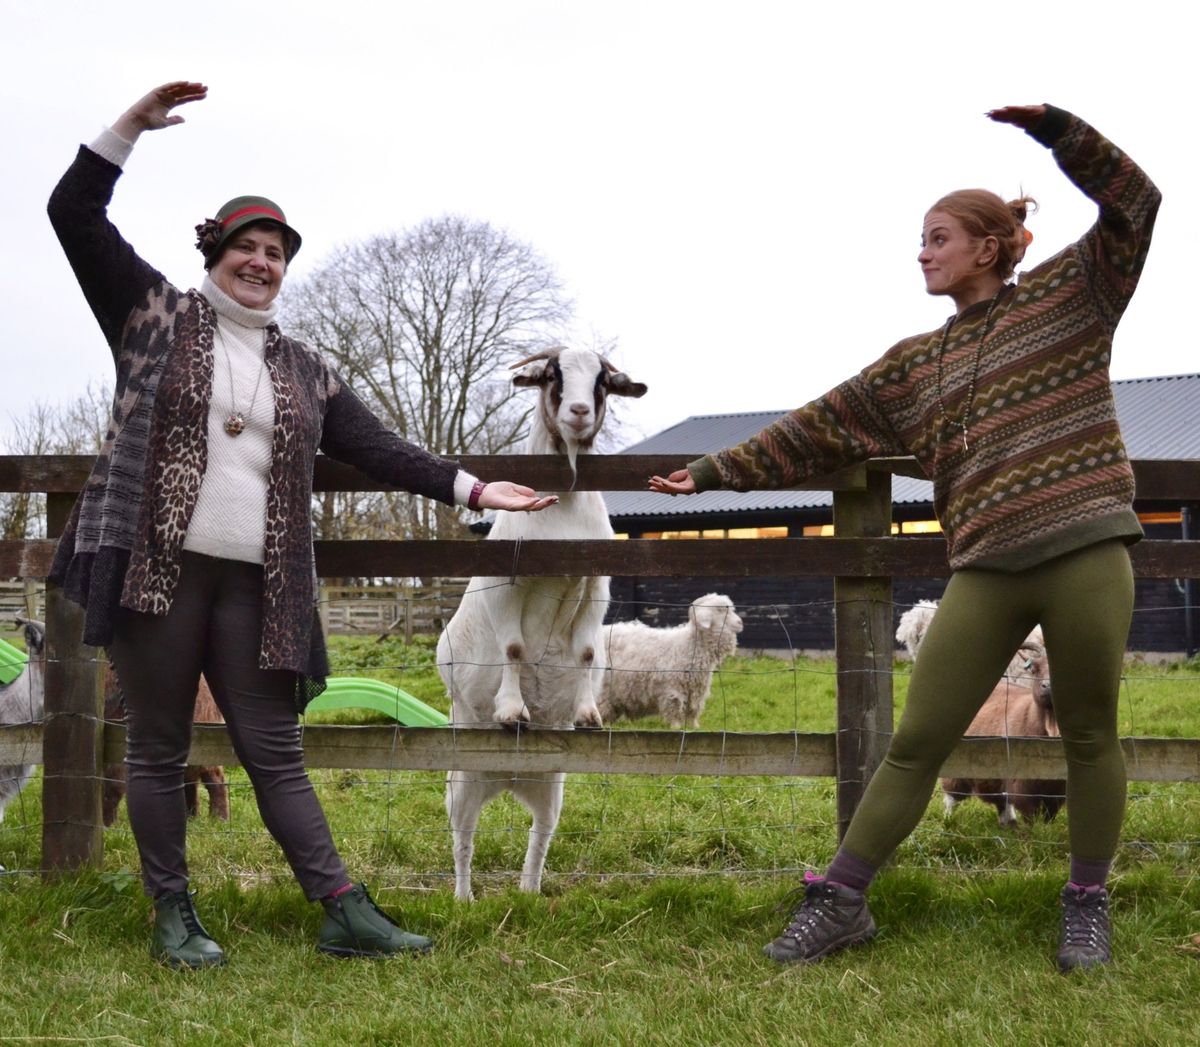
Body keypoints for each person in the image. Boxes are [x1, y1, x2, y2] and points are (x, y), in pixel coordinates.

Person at [47, 81, 557, 969]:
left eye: (276, 250)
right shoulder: (152, 313)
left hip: (256, 584)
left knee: (274, 749)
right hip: (155, 573)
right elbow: (73, 211)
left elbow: (381, 448)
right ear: (215, 252)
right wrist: (128, 128)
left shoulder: (302, 368)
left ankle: (340, 906)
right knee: (160, 747)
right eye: (246, 245)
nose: (262, 261)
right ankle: (174, 914)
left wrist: (475, 489)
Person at [651, 104, 1160, 972]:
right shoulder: (910, 365)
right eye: (919, 239)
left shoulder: (1073, 295)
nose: (921, 251)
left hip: (1086, 549)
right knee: (917, 739)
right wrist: (710, 472)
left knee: (1087, 732)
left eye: (937, 236)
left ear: (989, 247)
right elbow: (815, 427)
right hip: (986, 567)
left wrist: (1058, 132)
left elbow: (1136, 203)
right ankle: (843, 899)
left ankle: (1086, 902)